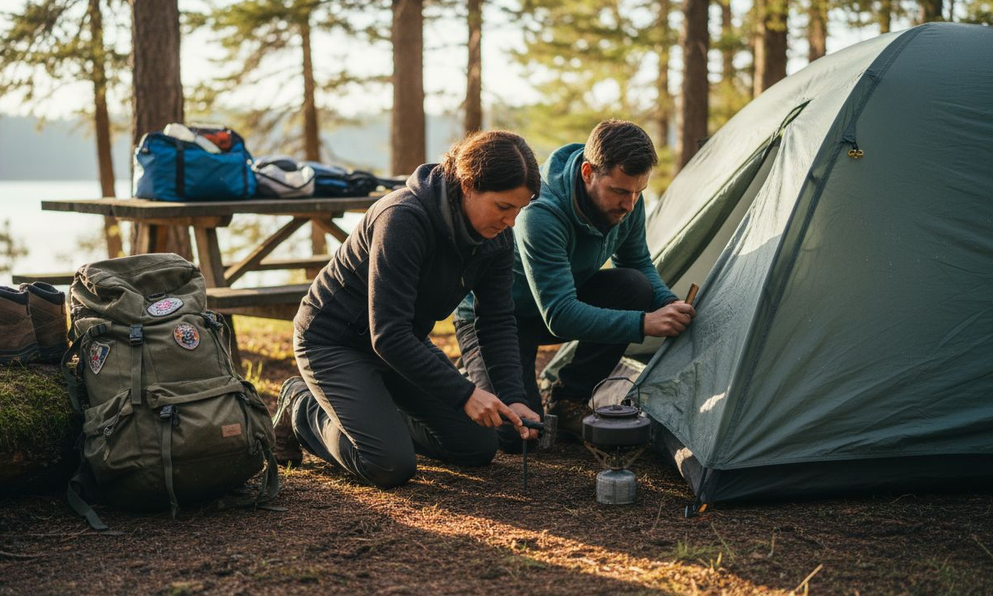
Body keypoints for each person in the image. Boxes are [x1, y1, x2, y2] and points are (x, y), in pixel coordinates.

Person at [272, 131, 543, 488]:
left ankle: (375, 415)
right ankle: (301, 406)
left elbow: (495, 320)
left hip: (399, 346)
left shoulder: (496, 238)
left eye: (519, 210)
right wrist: (464, 395)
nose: (510, 222)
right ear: (467, 184)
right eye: (503, 207)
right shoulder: (403, 217)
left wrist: (513, 397)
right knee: (388, 464)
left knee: (477, 446)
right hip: (334, 342)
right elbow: (387, 333)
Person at [455, 119, 695, 451]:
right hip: (498, 320)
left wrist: (666, 302)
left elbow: (636, 261)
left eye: (638, 192)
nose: (629, 204)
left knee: (634, 287)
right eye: (620, 191)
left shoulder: (629, 202)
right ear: (587, 173)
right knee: (517, 435)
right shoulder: (542, 212)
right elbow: (561, 315)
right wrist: (645, 323)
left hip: (556, 304)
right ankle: (472, 371)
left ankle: (569, 399)